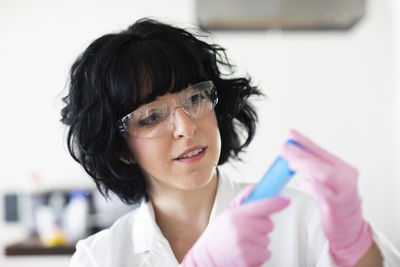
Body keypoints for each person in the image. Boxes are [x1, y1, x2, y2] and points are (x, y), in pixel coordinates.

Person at [61, 18, 400, 266]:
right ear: (121, 150)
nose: (185, 127)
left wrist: (354, 241)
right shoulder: (101, 258)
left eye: (194, 98)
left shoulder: (302, 217)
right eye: (151, 117)